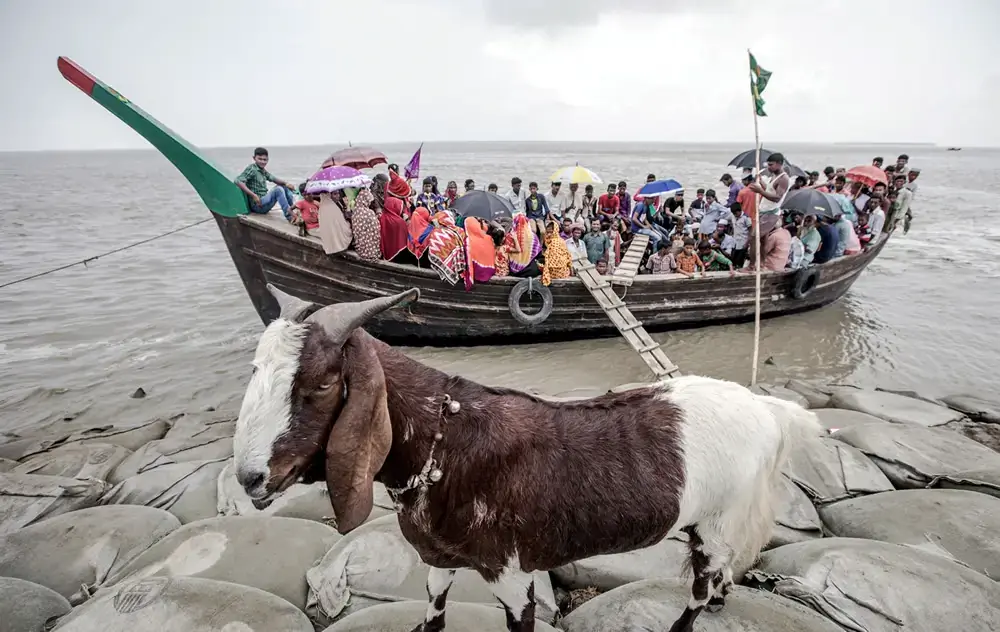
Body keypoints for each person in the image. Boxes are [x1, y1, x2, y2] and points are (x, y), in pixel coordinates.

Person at [235, 147, 297, 218]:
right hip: (258, 205)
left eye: (265, 160)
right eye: (260, 159)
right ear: (254, 158)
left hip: (264, 201)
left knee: (284, 186)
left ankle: (293, 209)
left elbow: (273, 178)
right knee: (278, 190)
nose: (262, 162)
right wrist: (253, 195)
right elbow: (238, 181)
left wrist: (286, 183)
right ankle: (290, 217)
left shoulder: (262, 170)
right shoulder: (252, 169)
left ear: (268, 159)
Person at [747, 153, 790, 250]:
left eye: (771, 165)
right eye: (768, 165)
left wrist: (760, 191)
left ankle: (753, 264)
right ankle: (761, 262)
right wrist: (761, 182)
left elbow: (777, 198)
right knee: (763, 240)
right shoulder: (774, 176)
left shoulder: (783, 178)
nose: (768, 168)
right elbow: (769, 190)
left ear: (779, 163)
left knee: (754, 237)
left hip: (771, 213)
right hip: (764, 211)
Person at [350, 179, 382, 262]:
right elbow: (376, 230)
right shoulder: (369, 213)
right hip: (371, 250)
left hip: (360, 248)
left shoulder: (354, 212)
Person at [316, 189, 353, 255]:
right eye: (335, 194)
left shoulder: (324, 206)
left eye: (338, 194)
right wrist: (348, 208)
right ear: (329, 196)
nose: (338, 196)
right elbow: (343, 226)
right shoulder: (332, 208)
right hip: (340, 241)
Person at [730, 202, 752, 269]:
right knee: (733, 260)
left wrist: (747, 243)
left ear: (739, 211)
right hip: (734, 242)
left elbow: (750, 231)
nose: (735, 215)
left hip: (743, 242)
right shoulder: (733, 216)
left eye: (736, 213)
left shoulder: (746, 218)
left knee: (740, 261)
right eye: (733, 213)